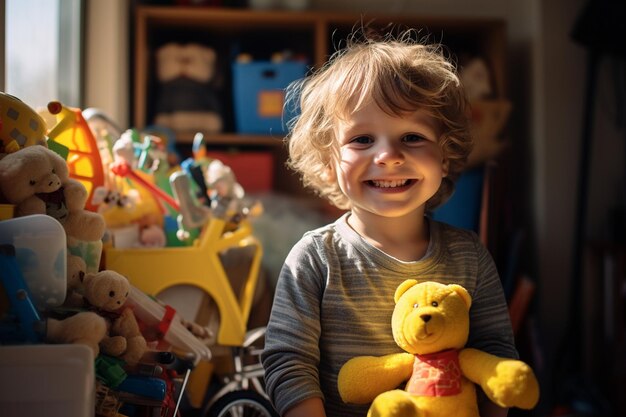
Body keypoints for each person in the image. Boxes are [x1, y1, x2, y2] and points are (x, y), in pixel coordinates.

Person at [261, 31, 517, 417]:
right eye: (363, 139)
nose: (389, 156)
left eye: (412, 136)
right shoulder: (314, 257)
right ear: (329, 163)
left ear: (444, 156)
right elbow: (288, 361)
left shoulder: (470, 255)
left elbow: (495, 355)